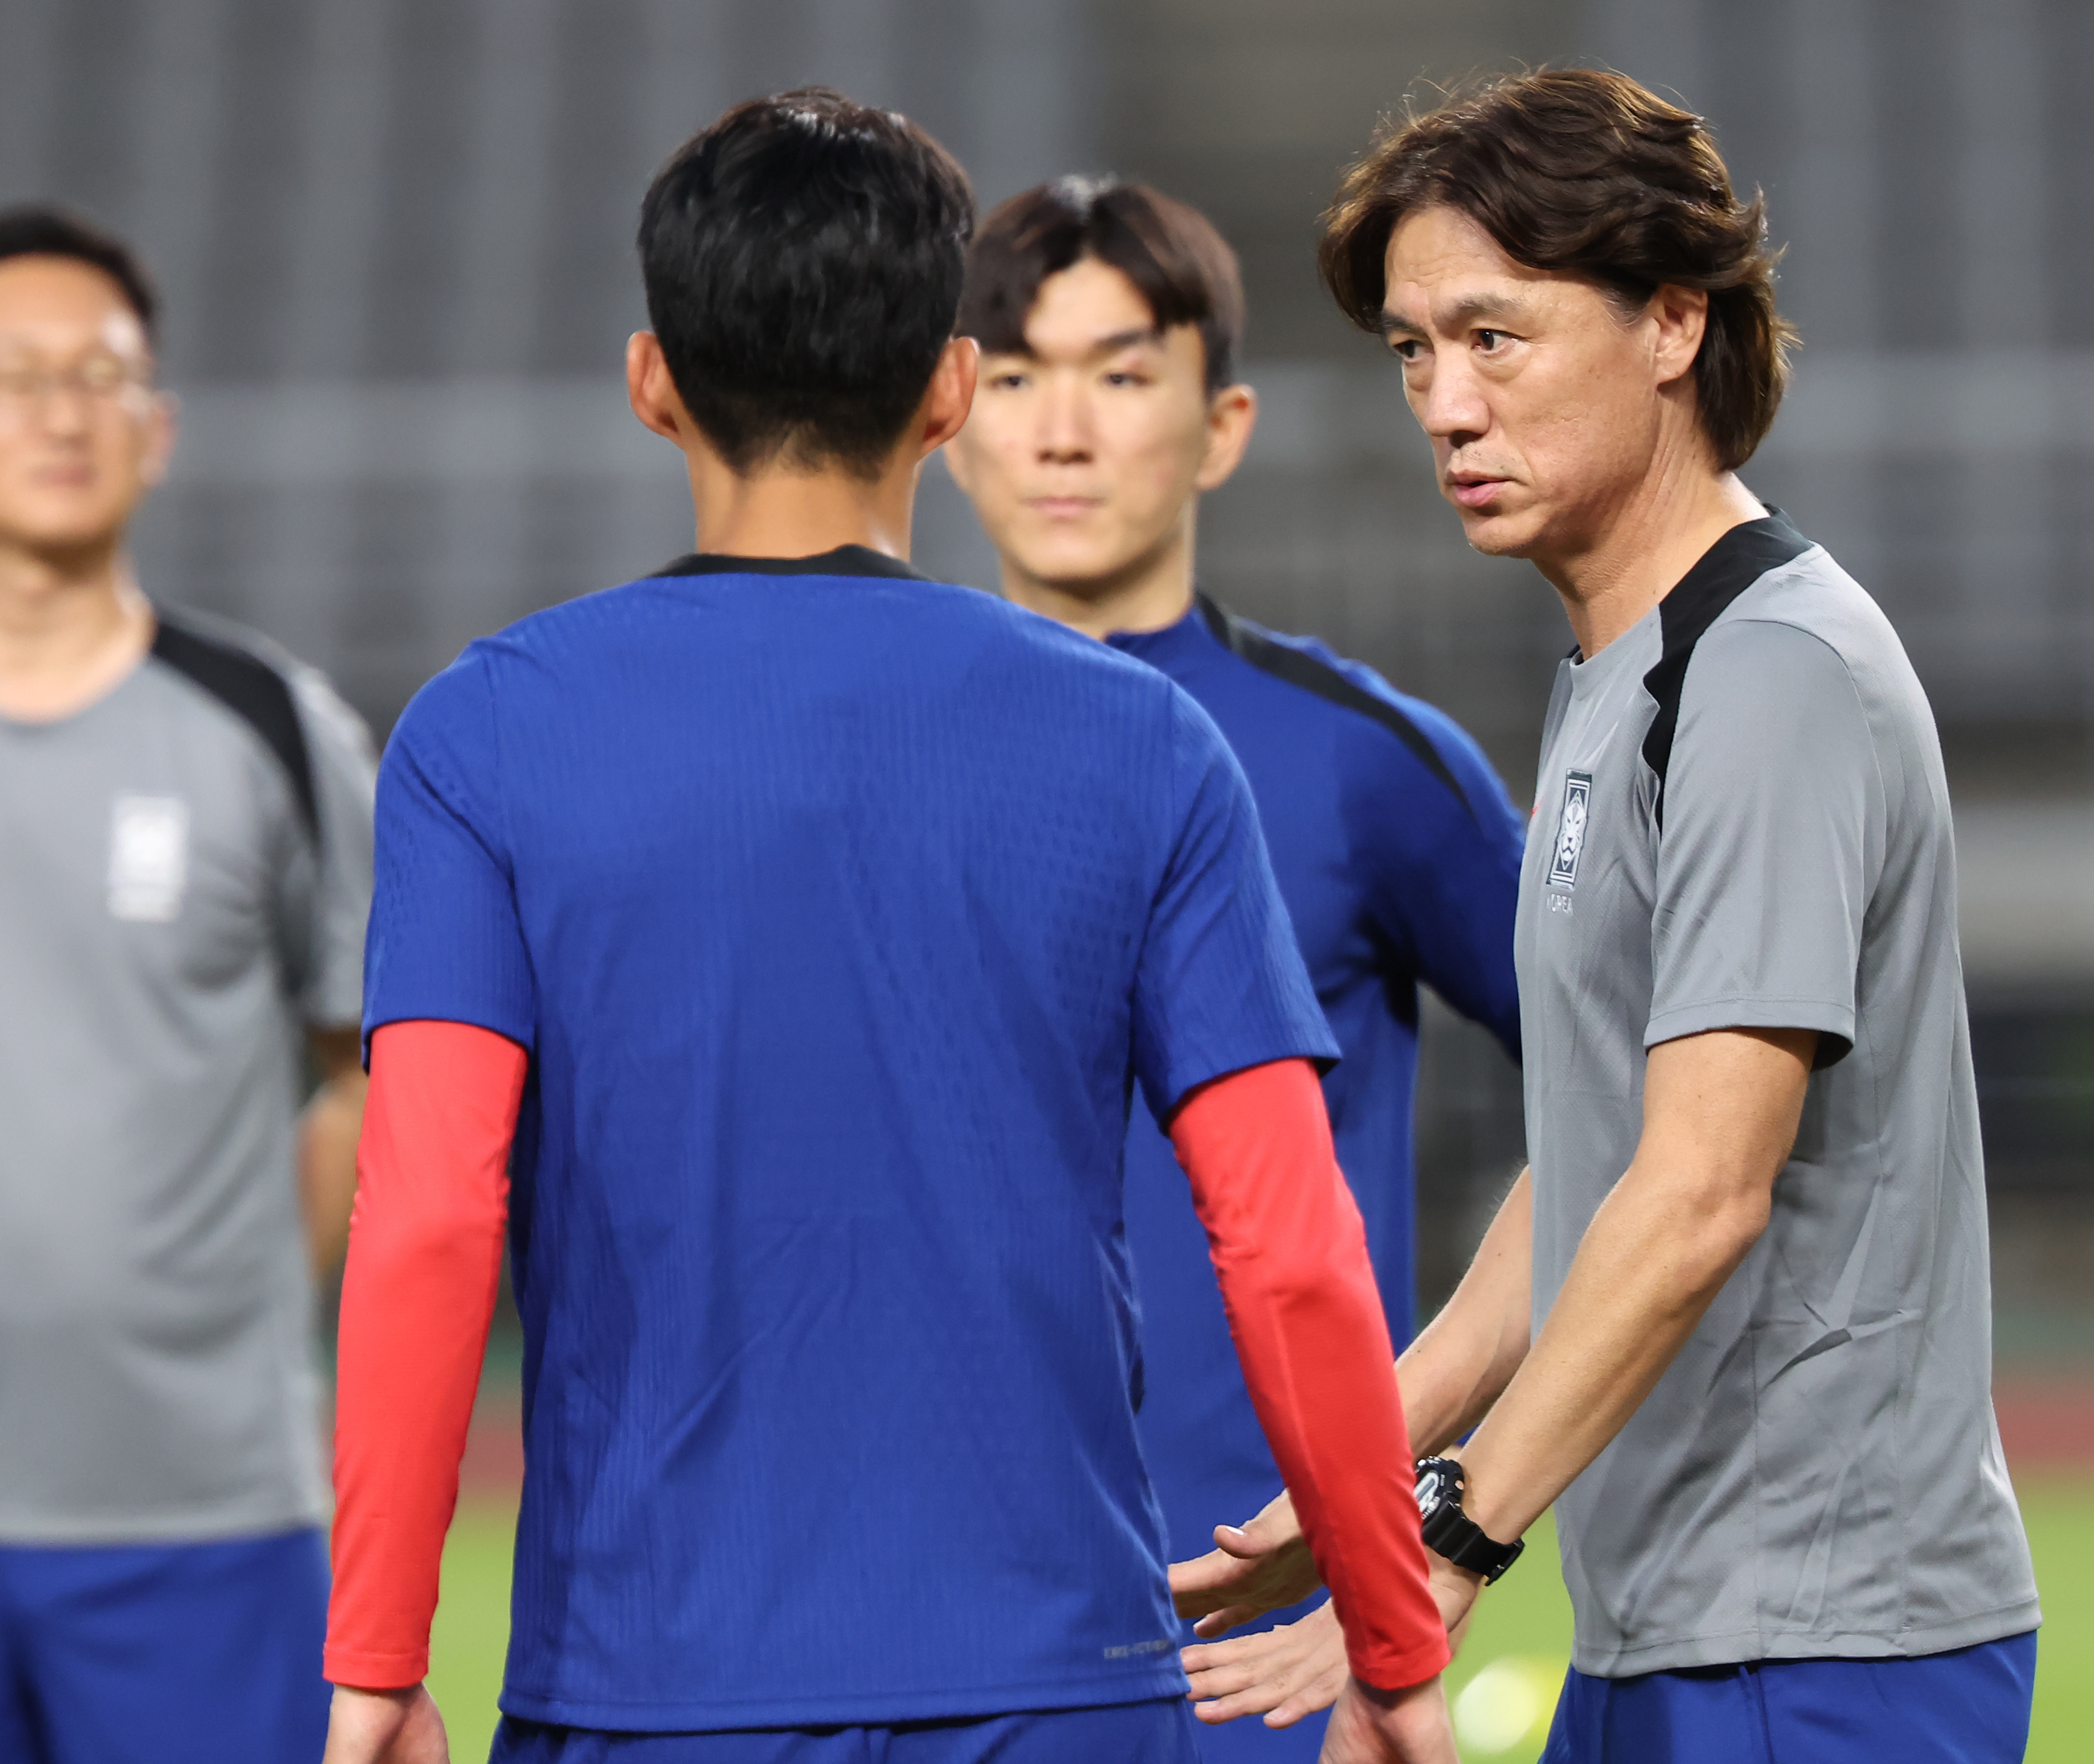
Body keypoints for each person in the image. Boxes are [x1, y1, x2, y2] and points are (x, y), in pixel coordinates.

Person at [318, 90, 1458, 1764]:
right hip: (1061, 1688)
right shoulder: (1144, 743)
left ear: (651, 382)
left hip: (647, 1695)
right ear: (947, 391)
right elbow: (1290, 1244)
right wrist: (1392, 1648)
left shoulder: (482, 736)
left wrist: (375, 1662)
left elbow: (423, 1216)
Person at [1174, 69, 2042, 1764]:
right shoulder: (1619, 666)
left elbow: (1704, 1188)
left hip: (1821, 1653)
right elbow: (1602, 1163)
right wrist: (1362, 1472)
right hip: (1678, 1637)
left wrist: (1448, 1537)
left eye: (1495, 337)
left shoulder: (1766, 669)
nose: (1443, 403)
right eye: (1415, 350)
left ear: (1669, 323)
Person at [943, 176, 1525, 1760]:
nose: (1062, 429)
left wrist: (1448, 1441)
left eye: (1121, 374)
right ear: (946, 411)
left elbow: (1649, 1090)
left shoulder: (1361, 764)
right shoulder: (866, 760)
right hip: (942, 1643)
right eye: (1012, 375)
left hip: (1276, 1668)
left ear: (1220, 425)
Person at [0, 205, 378, 1763]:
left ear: (159, 428)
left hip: (202, 1522)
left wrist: (241, 1313)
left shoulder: (273, 733)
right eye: (15, 375)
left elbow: (359, 1059)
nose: (63, 412)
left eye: (101, 374)